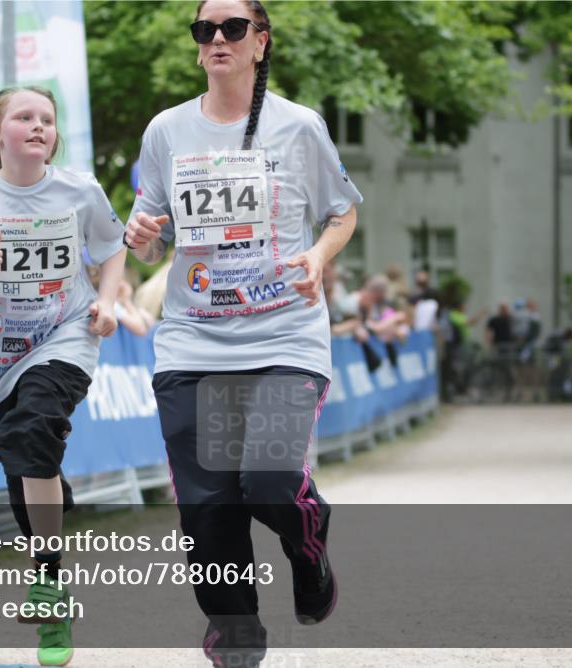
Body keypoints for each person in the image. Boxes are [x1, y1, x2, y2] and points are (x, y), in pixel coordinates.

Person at [124, 2, 362, 665]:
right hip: (192, 340)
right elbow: (148, 239)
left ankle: (305, 542)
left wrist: (316, 258)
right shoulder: (167, 132)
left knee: (267, 476)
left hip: (282, 336)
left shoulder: (299, 127)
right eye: (206, 29)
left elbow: (342, 214)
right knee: (206, 507)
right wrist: (141, 235)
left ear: (261, 42)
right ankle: (236, 635)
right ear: (198, 46)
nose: (218, 38)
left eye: (233, 28)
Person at [0, 85, 126, 666]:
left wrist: (108, 302)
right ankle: (53, 566)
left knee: (35, 430)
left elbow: (112, 249)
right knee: (25, 467)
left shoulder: (80, 190)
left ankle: (46, 578)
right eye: (24, 117)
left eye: (48, 119)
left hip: (65, 335)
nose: (39, 126)